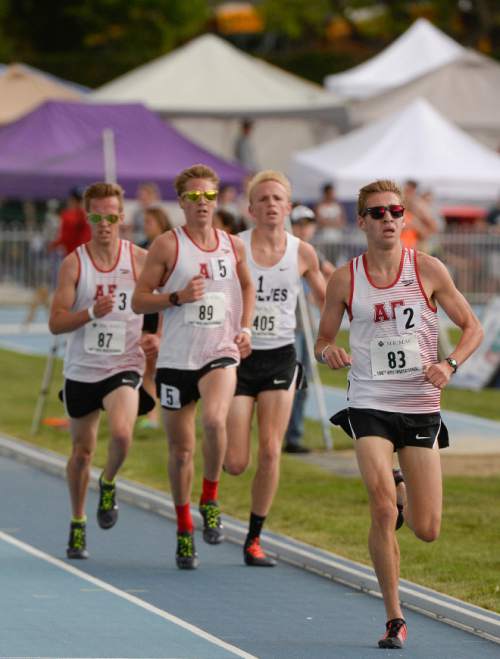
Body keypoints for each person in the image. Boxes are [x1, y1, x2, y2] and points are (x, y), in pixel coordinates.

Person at [315, 179, 483, 649]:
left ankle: (402, 486)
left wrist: (449, 364)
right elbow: (323, 338)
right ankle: (394, 617)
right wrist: (329, 352)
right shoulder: (346, 278)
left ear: (404, 218)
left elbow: (472, 327)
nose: (387, 219)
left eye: (394, 211)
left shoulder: (428, 270)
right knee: (382, 508)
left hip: (419, 406)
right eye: (377, 212)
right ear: (362, 221)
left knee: (426, 528)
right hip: (368, 401)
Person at [132, 164, 254, 570]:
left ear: (216, 200)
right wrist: (176, 297)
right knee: (181, 451)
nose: (203, 204)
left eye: (209, 196)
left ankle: (211, 497)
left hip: (219, 351)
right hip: (175, 360)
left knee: (216, 422)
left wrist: (246, 327)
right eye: (194, 197)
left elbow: (249, 284)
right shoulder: (167, 246)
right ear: (182, 201)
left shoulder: (232, 244)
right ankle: (185, 529)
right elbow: (138, 300)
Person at [48, 182, 159, 560]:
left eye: (112, 216)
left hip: (124, 365)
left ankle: (109, 481)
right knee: (82, 453)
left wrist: (152, 335)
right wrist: (91, 312)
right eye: (97, 216)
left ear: (121, 217)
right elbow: (56, 323)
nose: (105, 224)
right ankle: (78, 521)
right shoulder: (74, 264)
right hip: (82, 369)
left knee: (123, 435)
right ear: (87, 216)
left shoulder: (140, 259)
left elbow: (159, 302)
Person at [224, 171, 325, 567]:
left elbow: (324, 299)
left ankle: (253, 538)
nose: (270, 204)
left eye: (277, 199)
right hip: (238, 359)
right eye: (262, 199)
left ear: (287, 207)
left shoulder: (302, 252)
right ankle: (213, 475)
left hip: (281, 357)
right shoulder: (234, 247)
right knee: (236, 462)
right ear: (251, 208)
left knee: (270, 450)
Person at [284, 205, 335, 453]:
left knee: (303, 381)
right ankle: (284, 433)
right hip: (287, 327)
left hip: (306, 326)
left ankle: (294, 434)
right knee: (290, 381)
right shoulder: (285, 249)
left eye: (308, 223)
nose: (304, 228)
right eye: (299, 223)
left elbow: (331, 275)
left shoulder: (313, 253)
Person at [137, 207, 172, 430]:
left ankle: (170, 410)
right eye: (145, 222)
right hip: (146, 311)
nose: (146, 226)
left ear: (160, 223)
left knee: (165, 365)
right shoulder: (140, 248)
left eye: (150, 222)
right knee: (146, 365)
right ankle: (152, 413)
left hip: (168, 310)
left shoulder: (171, 247)